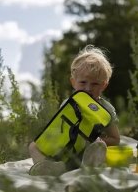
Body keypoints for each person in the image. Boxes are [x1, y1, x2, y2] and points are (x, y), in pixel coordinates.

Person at [28, 45, 120, 176]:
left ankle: (88, 166)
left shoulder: (106, 109)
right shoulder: (68, 103)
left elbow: (115, 139)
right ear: (73, 82)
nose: (88, 88)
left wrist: (95, 140)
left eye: (95, 84)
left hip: (85, 152)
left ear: (104, 85)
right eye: (83, 82)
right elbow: (58, 128)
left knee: (99, 146)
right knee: (33, 146)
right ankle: (47, 167)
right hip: (63, 148)